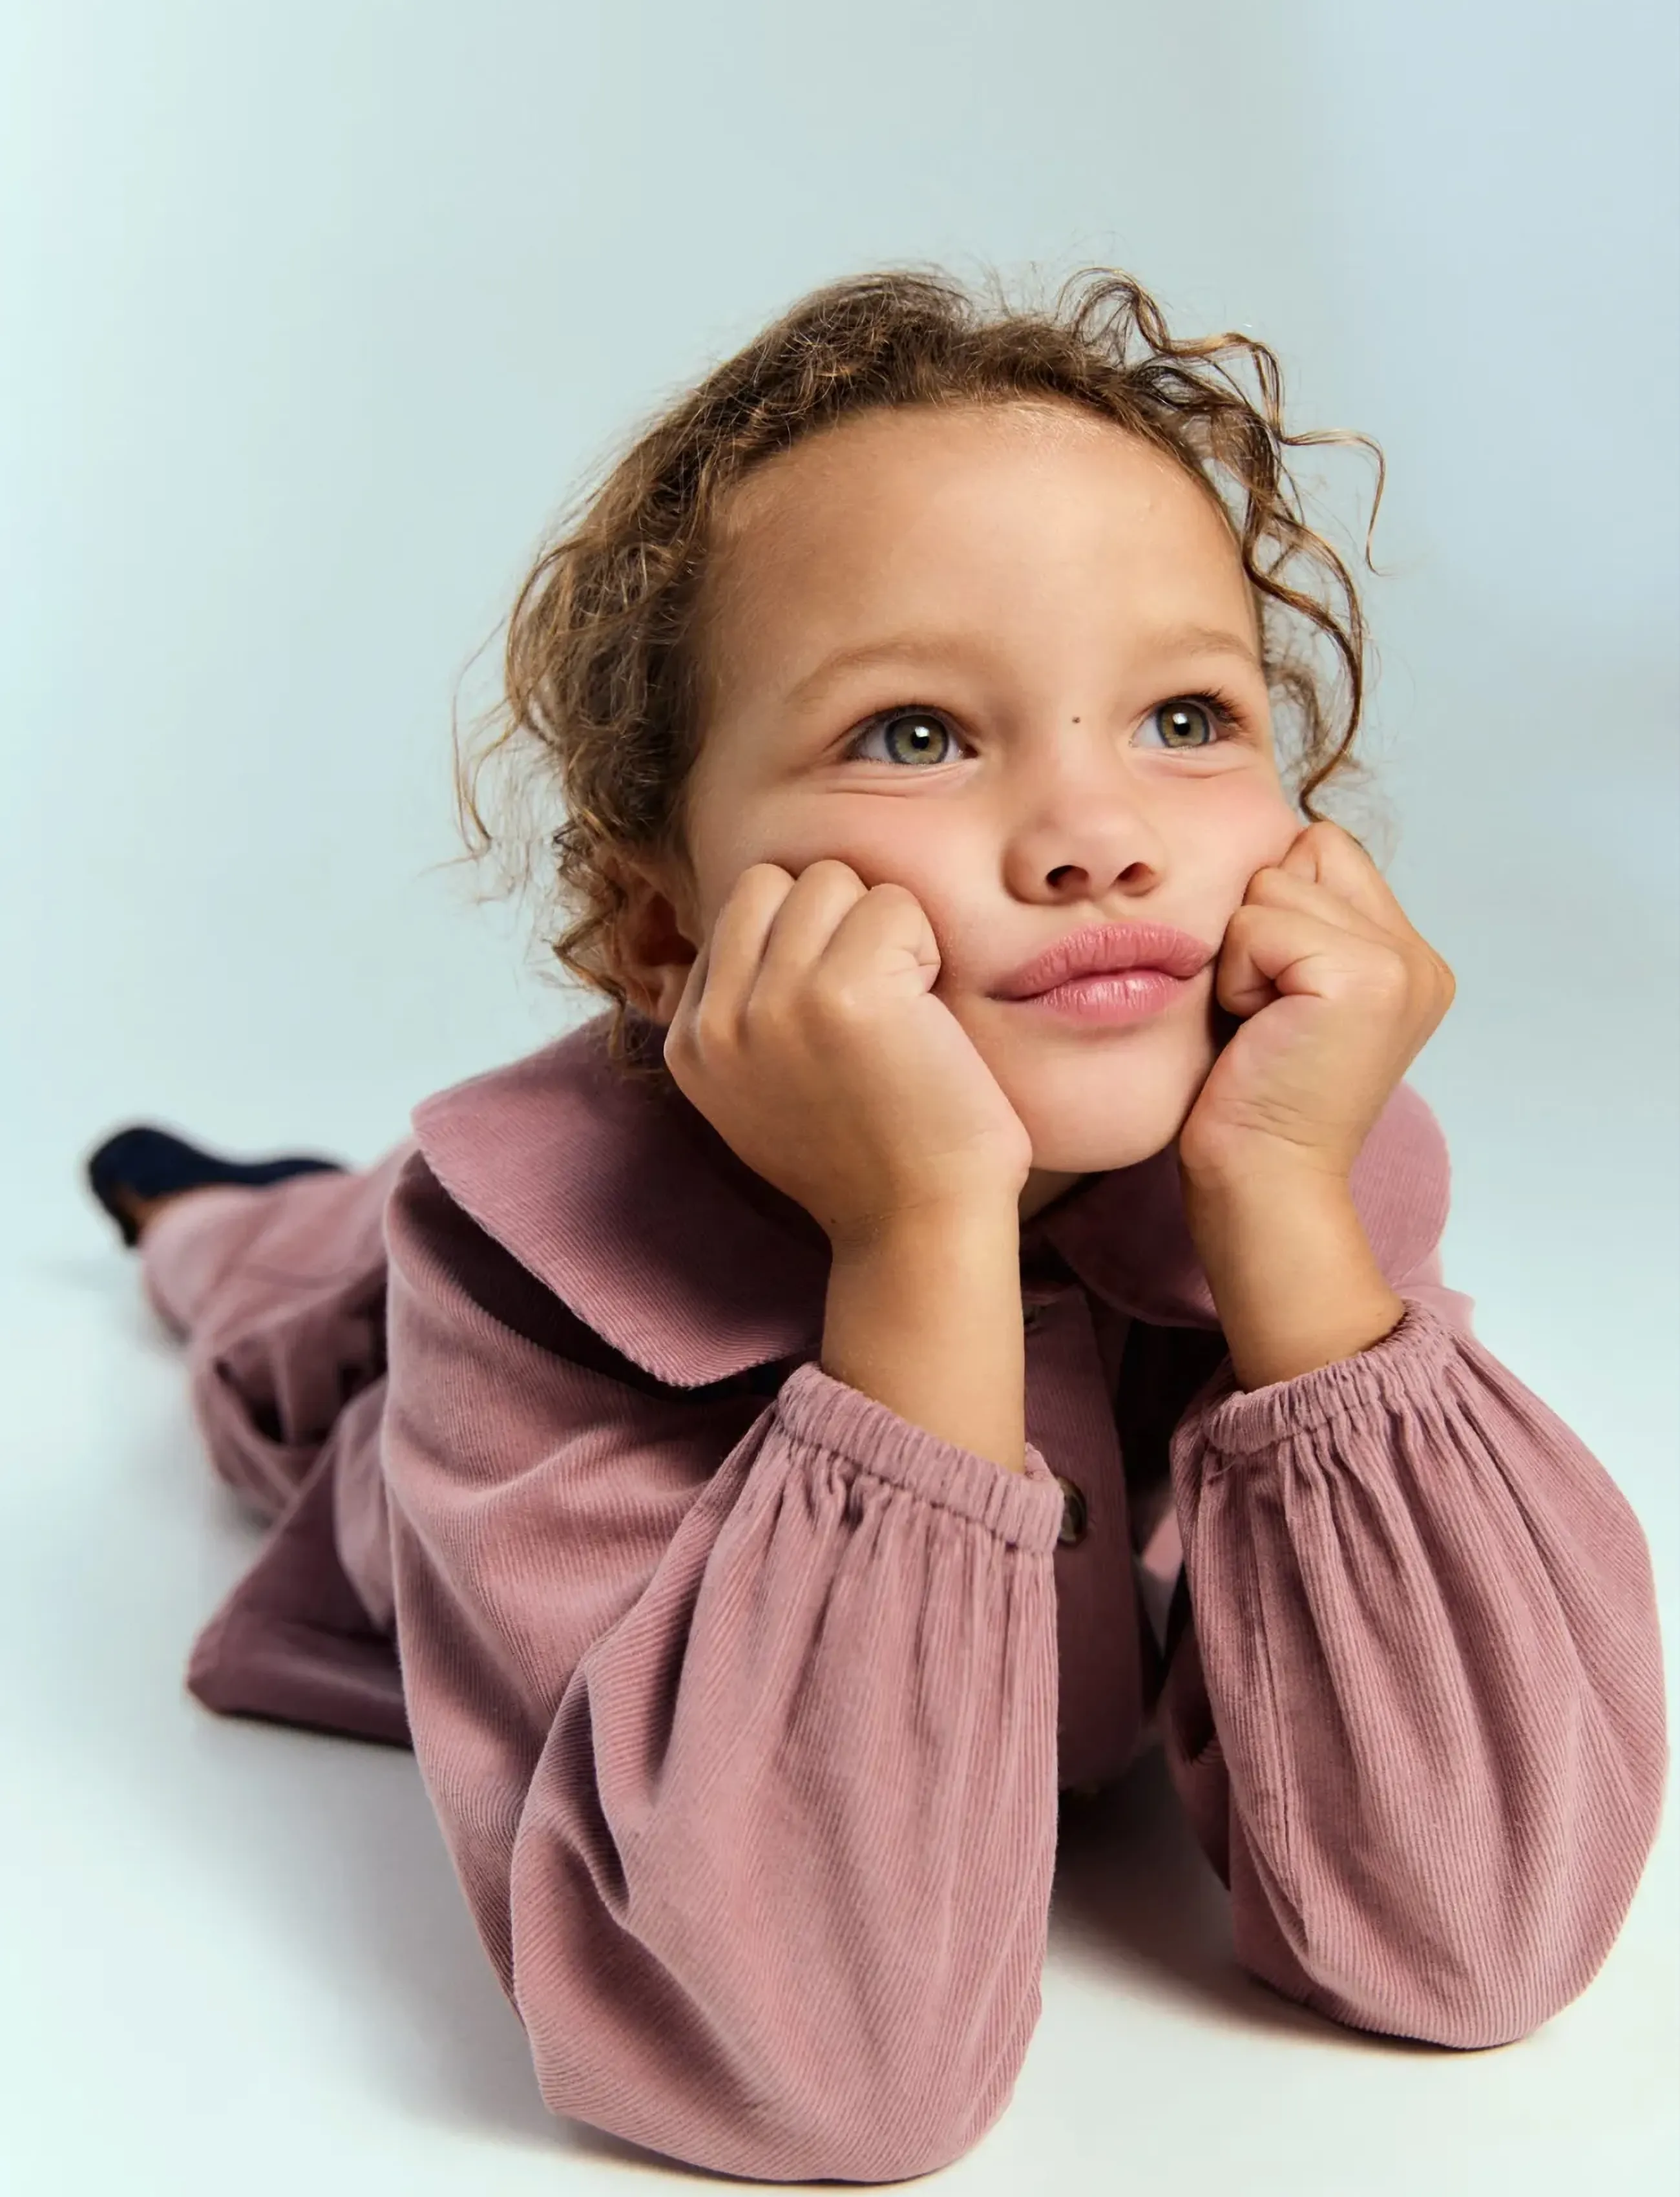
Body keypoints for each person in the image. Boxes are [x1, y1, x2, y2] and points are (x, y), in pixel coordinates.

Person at [83, 267, 1668, 2186]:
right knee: (291, 1316)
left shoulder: (1294, 1157)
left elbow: (1480, 1936)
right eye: (917, 735)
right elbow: (818, 2070)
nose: (1098, 833)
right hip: (401, 1363)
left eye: (1185, 713)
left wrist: (1283, 1210)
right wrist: (921, 1230)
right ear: (665, 932)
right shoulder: (525, 1270)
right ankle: (222, 1213)